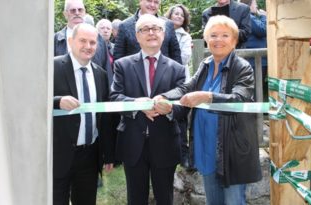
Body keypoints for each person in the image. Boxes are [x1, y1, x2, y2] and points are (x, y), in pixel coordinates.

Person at [154, 15, 262, 205]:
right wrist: (164, 97)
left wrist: (207, 96)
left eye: (224, 35)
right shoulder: (205, 65)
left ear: (234, 40)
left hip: (231, 152)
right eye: (213, 35)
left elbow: (239, 99)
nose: (218, 40)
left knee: (233, 202)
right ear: (206, 39)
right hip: (206, 148)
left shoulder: (242, 67)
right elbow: (185, 89)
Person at [110, 14, 187, 205]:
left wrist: (167, 108)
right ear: (137, 36)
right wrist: (138, 105)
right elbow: (114, 97)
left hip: (165, 143)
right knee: (135, 198)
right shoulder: (122, 65)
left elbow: (184, 104)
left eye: (156, 28)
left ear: (164, 34)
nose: (151, 33)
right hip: (133, 143)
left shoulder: (178, 69)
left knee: (165, 198)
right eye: (145, 29)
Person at [53, 23, 115, 205]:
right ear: (71, 41)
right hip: (59, 154)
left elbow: (105, 117)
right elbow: (33, 100)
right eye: (83, 41)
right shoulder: (52, 67)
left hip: (89, 155)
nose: (88, 46)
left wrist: (108, 154)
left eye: (92, 42)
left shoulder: (101, 74)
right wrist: (57, 101)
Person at [54, 0, 113, 86]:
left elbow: (107, 70)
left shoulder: (99, 39)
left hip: (94, 91)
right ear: (65, 14)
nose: (77, 13)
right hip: (65, 93)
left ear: (84, 12)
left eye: (80, 10)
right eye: (73, 10)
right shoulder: (55, 40)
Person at [164, 4, 192, 169]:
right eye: (175, 13)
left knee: (180, 117)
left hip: (179, 81)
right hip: (160, 81)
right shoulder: (160, 30)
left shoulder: (185, 37)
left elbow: (184, 58)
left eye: (182, 15)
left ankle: (183, 154)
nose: (178, 16)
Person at [113, 0, 182, 64]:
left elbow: (176, 55)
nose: (152, 5)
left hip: (164, 75)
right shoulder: (125, 26)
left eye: (156, 2)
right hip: (134, 75)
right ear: (140, 1)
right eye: (149, 1)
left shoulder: (168, 25)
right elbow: (118, 58)